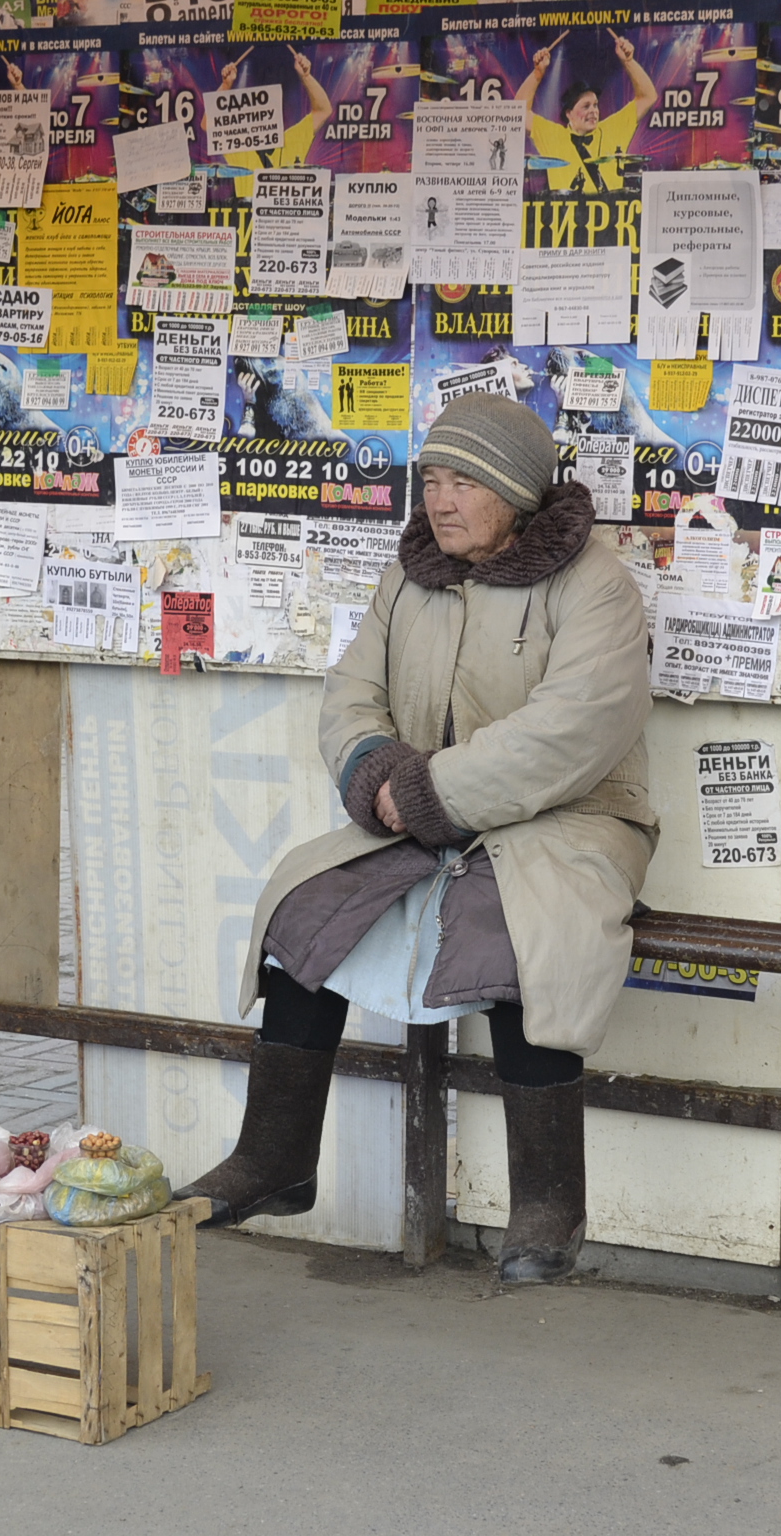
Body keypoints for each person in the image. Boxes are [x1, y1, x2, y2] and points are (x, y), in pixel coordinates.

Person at [176, 393, 658, 1285]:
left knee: (526, 933)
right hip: (419, 809)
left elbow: (573, 730)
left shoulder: (594, 583)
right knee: (304, 910)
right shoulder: (411, 575)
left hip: (569, 818)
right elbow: (351, 694)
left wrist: (432, 790)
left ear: (513, 490)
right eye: (431, 479)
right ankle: (276, 1156)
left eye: (463, 481)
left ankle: (550, 1203)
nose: (440, 500)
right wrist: (374, 773)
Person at [520, 31, 657, 193]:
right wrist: (537, 73)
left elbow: (648, 96)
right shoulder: (553, 135)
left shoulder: (612, 129)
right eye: (586, 106)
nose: (593, 111)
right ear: (569, 114)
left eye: (595, 105)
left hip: (612, 216)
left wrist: (628, 61)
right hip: (566, 216)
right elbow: (519, 112)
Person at [220, 49, 332, 197]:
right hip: (250, 220)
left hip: (288, 220)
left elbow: (323, 110)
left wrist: (306, 76)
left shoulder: (291, 140)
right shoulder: (239, 145)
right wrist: (226, 86)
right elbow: (209, 125)